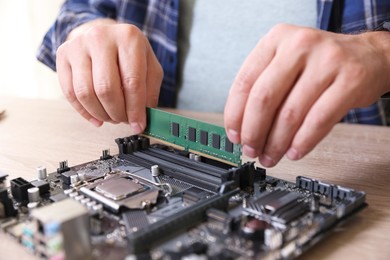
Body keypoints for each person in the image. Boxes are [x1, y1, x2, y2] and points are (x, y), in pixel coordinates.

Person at [37, 0, 390, 167]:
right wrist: (85, 32)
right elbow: (76, 11)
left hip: (343, 168)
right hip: (160, 159)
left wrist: (380, 51)